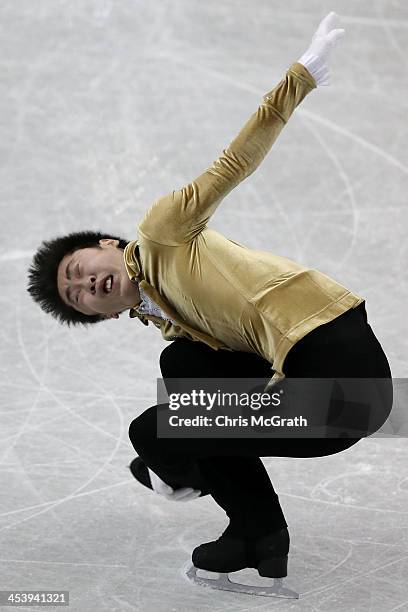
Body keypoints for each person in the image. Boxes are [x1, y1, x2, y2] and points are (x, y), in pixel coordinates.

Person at [27, 13, 393, 597]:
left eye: (78, 271)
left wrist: (301, 76)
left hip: (342, 379)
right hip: (304, 383)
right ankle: (258, 537)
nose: (84, 287)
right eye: (77, 299)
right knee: (184, 376)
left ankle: (191, 478)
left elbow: (233, 163)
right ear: (101, 317)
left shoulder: (162, 232)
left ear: (106, 245)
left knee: (158, 428)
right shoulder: (169, 322)